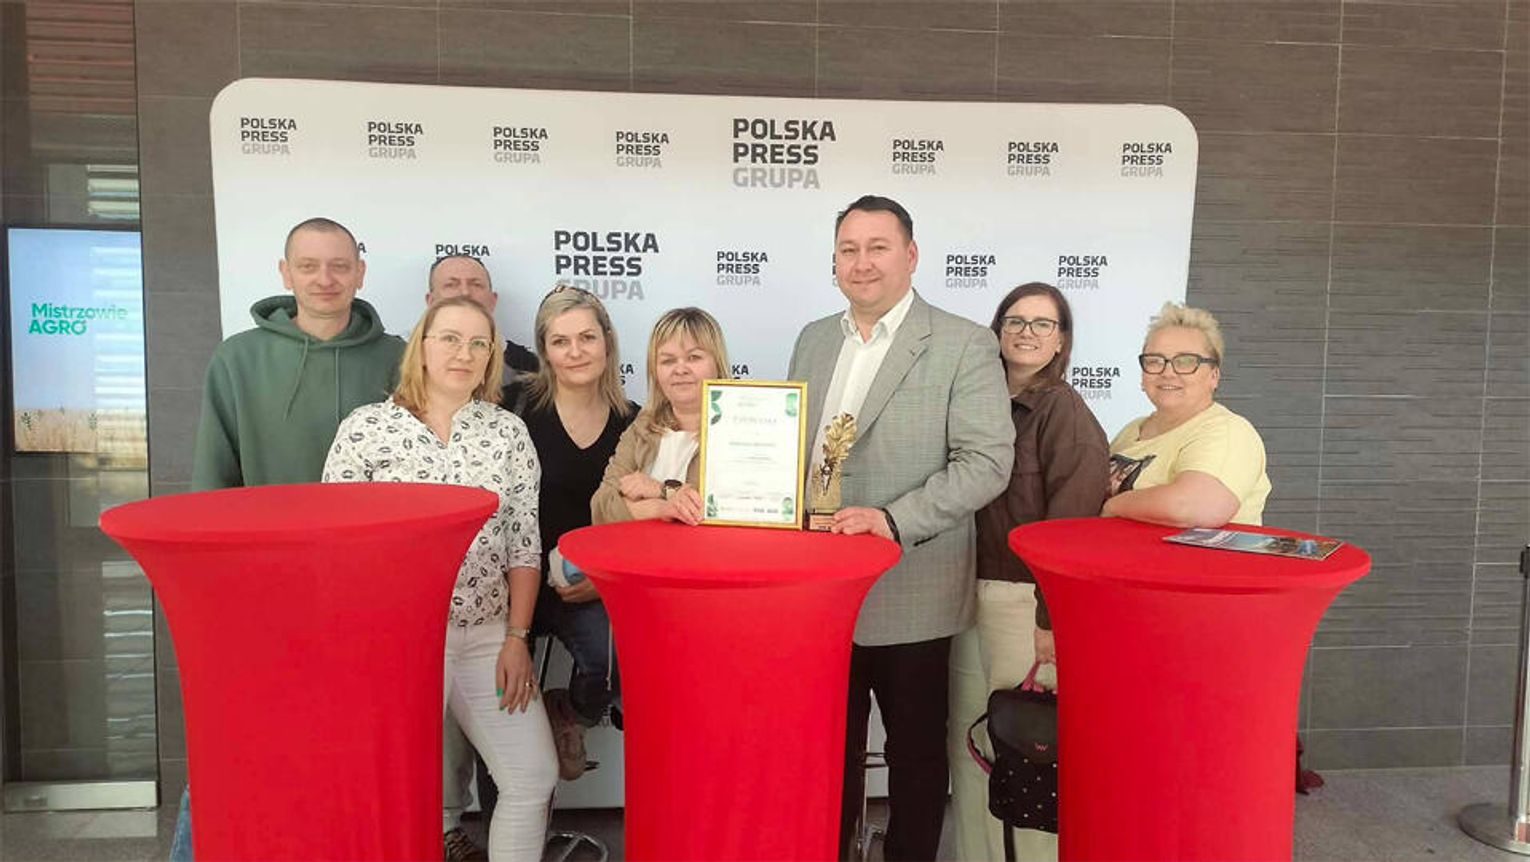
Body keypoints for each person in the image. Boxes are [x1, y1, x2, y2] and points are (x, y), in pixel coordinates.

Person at [786, 195, 1013, 861]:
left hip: (911, 585)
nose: (862, 263)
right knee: (827, 750)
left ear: (910, 256)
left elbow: (986, 463)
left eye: (877, 247)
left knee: (914, 755)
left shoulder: (963, 343)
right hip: (817, 590)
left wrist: (891, 521)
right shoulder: (813, 339)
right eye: (848, 249)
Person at [174, 217, 405, 861]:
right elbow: (213, 477)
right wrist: (217, 586)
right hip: (263, 589)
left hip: (369, 591)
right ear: (285, 273)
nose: (324, 279)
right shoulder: (238, 358)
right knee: (238, 740)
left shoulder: (400, 358)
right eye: (308, 266)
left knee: (350, 749)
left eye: (339, 265)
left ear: (360, 272)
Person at [323, 296, 558, 862]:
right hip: (399, 643)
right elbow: (334, 547)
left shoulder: (507, 433)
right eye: (450, 338)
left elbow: (523, 542)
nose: (464, 353)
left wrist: (517, 638)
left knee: (532, 775)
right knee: (403, 792)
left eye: (479, 344)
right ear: (421, 347)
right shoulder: (367, 429)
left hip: (487, 636)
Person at [948, 282, 1110, 862]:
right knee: (970, 746)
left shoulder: (1064, 413)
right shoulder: (976, 403)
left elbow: (1071, 531)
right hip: (966, 594)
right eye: (1015, 321)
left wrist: (1050, 618)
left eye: (1043, 323)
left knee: (1027, 752)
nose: (1026, 332)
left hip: (1024, 604)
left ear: (1062, 340)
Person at [502, 284, 638, 781]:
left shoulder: (635, 424)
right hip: (510, 582)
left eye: (587, 337)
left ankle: (572, 712)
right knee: (500, 702)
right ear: (544, 350)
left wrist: (604, 581)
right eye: (560, 341)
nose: (576, 351)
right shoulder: (515, 408)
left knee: (615, 660)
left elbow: (644, 529)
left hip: (588, 586)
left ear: (608, 342)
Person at [1104, 302, 1270, 526]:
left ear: (1214, 376)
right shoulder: (1131, 430)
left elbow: (1195, 506)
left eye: (1186, 362)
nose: (1168, 372)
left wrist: (1113, 505)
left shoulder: (1229, 431)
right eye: (1155, 361)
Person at [590, 307, 731, 526]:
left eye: (693, 357)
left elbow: (730, 507)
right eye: (668, 360)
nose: (680, 369)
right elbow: (601, 507)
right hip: (642, 548)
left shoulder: (738, 431)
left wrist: (659, 489)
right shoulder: (641, 428)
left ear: (717, 364)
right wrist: (664, 507)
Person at [426, 253, 539, 374]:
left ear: (492, 300)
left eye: (476, 285)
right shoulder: (411, 357)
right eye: (451, 285)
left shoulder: (528, 367)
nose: (465, 292)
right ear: (431, 301)